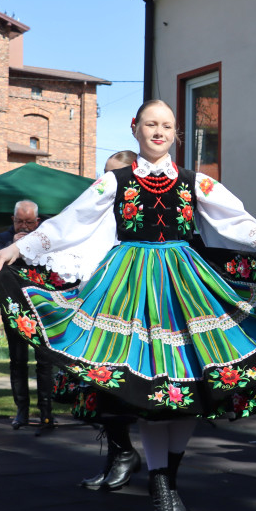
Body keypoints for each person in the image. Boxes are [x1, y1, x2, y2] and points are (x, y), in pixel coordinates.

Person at [0, 99, 256, 511]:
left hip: (186, 288)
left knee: (189, 389)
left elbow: (234, 218)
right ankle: (160, 493)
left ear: (176, 132)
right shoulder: (114, 181)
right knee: (152, 394)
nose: (159, 131)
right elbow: (71, 222)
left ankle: (168, 483)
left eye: (167, 125)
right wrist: (18, 248)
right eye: (151, 124)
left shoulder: (194, 182)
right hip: (129, 287)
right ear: (135, 128)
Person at [77, 148, 143, 490]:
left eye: (113, 173)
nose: (105, 180)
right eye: (104, 173)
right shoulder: (101, 207)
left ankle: (129, 457)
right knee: (98, 377)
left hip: (133, 302)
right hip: (102, 298)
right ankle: (119, 454)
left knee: (120, 379)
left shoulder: (137, 210)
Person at [0, 200, 56, 430]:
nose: (24, 226)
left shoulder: (45, 236)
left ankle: (46, 411)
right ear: (13, 219)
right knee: (18, 360)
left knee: (45, 361)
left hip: (41, 306)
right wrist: (12, 245)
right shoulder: (3, 237)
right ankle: (21, 411)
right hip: (14, 306)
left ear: (37, 221)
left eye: (29, 222)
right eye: (20, 221)